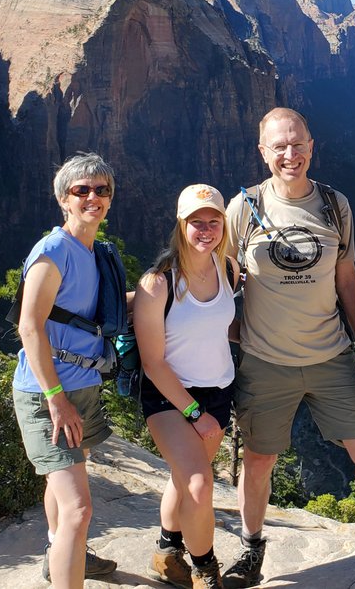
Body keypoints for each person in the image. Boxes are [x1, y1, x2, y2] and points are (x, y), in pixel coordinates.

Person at [220, 107, 355, 587]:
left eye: (298, 143)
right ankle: (251, 548)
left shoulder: (333, 204)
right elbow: (219, 283)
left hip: (331, 355)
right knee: (259, 461)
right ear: (263, 152)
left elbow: (348, 279)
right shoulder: (242, 208)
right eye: (279, 146)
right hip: (265, 361)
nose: (290, 154)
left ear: (311, 145)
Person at [12, 153, 118, 588]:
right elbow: (29, 326)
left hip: (83, 386)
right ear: (63, 199)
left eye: (102, 190)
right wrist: (56, 400)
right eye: (82, 190)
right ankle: (67, 568)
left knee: (63, 487)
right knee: (79, 508)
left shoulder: (92, 251)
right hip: (48, 394)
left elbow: (87, 313)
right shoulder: (53, 249)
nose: (93, 197)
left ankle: (60, 552)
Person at [134, 184, 239, 589]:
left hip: (219, 391)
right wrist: (195, 414)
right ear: (181, 225)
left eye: (214, 221)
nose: (206, 229)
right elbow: (153, 362)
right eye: (197, 221)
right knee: (198, 484)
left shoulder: (227, 268)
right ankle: (205, 570)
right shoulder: (157, 284)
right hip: (171, 398)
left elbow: (223, 326)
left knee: (184, 477)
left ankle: (165, 552)